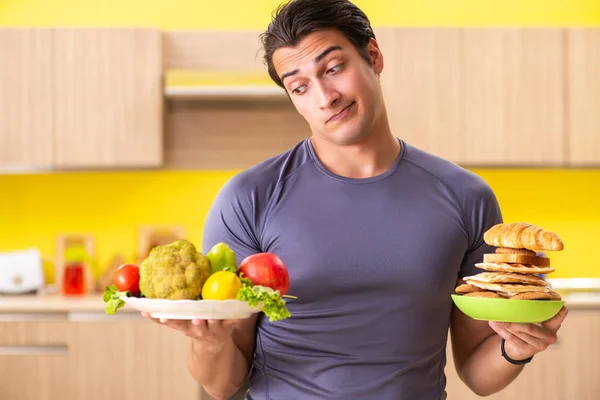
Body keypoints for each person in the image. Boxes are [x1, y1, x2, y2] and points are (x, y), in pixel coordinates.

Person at [143, 0, 568, 399]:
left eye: (333, 67)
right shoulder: (248, 198)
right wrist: (210, 343)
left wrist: (516, 347)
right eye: (300, 87)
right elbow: (223, 385)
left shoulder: (466, 197)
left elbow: (476, 374)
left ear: (374, 56)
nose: (325, 97)